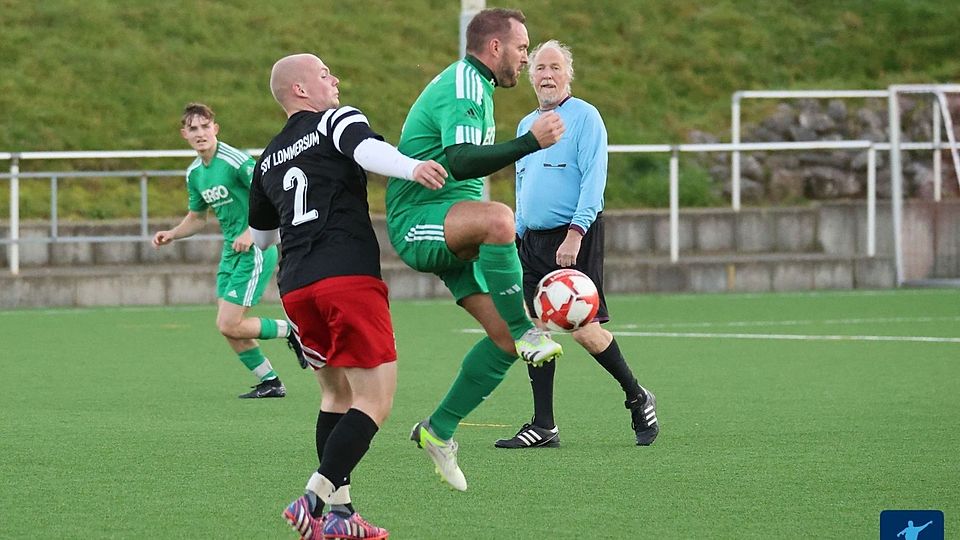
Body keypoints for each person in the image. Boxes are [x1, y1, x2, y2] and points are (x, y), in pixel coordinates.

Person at [249, 53, 446, 540]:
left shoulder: (266, 159)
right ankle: (314, 497)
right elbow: (364, 151)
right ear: (300, 90)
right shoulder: (335, 119)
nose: (334, 79)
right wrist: (411, 167)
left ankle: (341, 515)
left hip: (296, 287)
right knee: (375, 400)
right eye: (323, 74)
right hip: (346, 277)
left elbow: (259, 237)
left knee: (335, 395)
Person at [385, 7, 566, 491]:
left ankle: (437, 431)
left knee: (501, 341)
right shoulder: (465, 82)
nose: (526, 59)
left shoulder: (479, 88)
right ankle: (529, 331)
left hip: (455, 223)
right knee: (499, 219)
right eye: (522, 48)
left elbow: (462, 163)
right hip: (418, 221)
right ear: (494, 48)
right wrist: (529, 142)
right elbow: (462, 160)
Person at [494, 40, 659, 449]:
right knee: (534, 332)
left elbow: (593, 179)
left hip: (572, 238)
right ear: (531, 77)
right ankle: (544, 425)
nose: (546, 75)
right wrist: (517, 232)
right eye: (539, 68)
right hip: (530, 241)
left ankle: (637, 395)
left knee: (585, 331)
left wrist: (576, 232)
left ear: (568, 75)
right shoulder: (525, 125)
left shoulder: (585, 117)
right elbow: (522, 182)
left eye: (554, 67)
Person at [152, 103, 306, 399]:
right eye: (193, 129)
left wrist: (251, 231)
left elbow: (271, 196)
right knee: (228, 327)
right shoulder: (195, 173)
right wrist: (172, 234)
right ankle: (270, 381)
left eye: (205, 126)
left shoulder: (236, 161)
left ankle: (292, 330)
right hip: (231, 252)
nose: (200, 133)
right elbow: (198, 218)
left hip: (257, 248)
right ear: (184, 134)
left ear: (215, 128)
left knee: (229, 322)